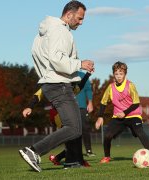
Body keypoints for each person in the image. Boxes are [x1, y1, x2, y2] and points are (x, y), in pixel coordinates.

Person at [19, 1, 94, 172]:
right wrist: (79, 64)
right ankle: (33, 151)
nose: (81, 22)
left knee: (72, 126)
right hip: (58, 83)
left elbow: (39, 57)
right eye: (80, 18)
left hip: (49, 82)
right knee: (74, 127)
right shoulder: (61, 31)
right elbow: (56, 58)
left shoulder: (43, 33)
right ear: (69, 15)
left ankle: (72, 161)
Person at [22, 71, 92, 168]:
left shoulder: (71, 88)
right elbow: (38, 94)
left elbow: (80, 86)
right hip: (56, 114)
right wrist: (30, 107)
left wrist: (87, 75)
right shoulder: (53, 84)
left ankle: (73, 161)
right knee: (72, 133)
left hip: (65, 114)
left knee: (76, 134)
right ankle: (36, 151)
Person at [95, 61, 149, 163]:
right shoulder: (111, 87)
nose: (118, 76)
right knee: (107, 135)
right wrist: (100, 117)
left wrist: (125, 112)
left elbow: (136, 103)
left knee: (139, 132)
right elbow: (103, 102)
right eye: (116, 74)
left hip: (133, 114)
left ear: (125, 74)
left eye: (121, 74)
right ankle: (107, 156)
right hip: (118, 117)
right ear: (113, 74)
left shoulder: (130, 85)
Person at [76, 71, 95, 157]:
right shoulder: (64, 73)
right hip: (69, 107)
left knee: (85, 128)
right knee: (71, 129)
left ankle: (89, 150)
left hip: (82, 106)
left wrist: (90, 102)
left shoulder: (82, 75)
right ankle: (72, 151)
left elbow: (88, 89)